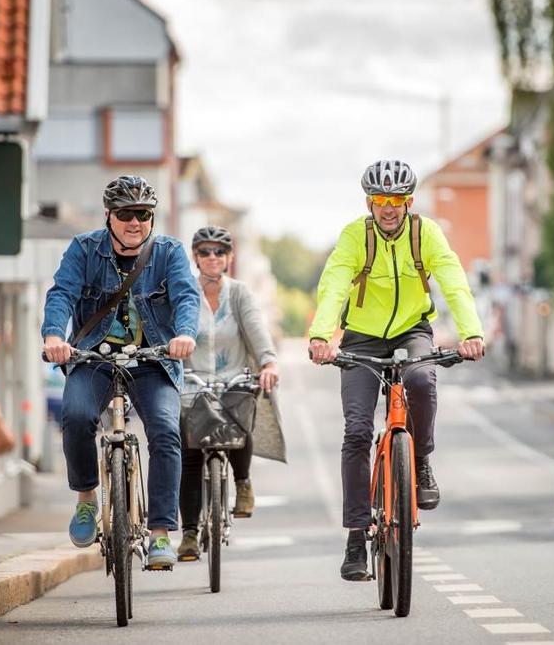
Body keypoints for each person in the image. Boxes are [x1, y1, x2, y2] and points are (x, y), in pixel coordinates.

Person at [307, 159, 486, 581]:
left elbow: (453, 281)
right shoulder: (356, 235)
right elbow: (334, 283)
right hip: (361, 338)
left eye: (398, 200)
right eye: (381, 200)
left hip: (411, 331)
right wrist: (321, 335)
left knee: (423, 380)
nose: (389, 208)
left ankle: (420, 460)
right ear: (370, 202)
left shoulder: (427, 234)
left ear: (409, 201)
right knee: (355, 430)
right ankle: (355, 534)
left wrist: (471, 332)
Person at [42, 175, 200, 569]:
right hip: (92, 356)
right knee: (76, 416)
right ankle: (86, 499)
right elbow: (62, 293)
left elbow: (185, 295)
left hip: (152, 358)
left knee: (165, 429)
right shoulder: (83, 249)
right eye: (127, 213)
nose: (136, 222)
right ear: (109, 215)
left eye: (144, 214)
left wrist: (184, 333)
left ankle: (161, 533)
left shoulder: (169, 252)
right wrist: (52, 336)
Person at [176, 226, 281, 561]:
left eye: (219, 252)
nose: (212, 258)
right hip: (193, 383)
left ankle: (243, 482)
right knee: (190, 458)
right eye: (204, 252)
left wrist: (268, 363)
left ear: (229, 257)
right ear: (195, 256)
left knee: (240, 416)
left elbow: (256, 329)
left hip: (233, 379)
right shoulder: (184, 292)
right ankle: (189, 534)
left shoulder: (239, 294)